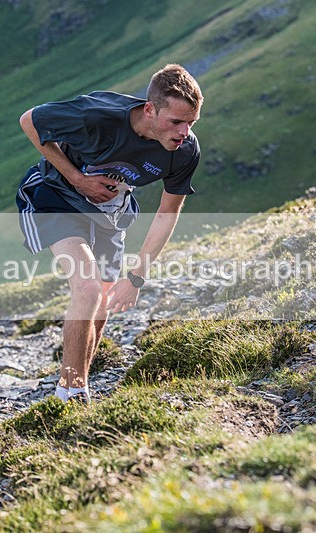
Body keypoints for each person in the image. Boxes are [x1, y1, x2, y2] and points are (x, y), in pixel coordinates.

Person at [16, 64, 203, 403]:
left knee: (100, 300)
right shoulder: (97, 116)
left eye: (191, 123)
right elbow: (30, 120)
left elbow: (167, 212)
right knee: (87, 288)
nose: (184, 132)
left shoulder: (185, 151)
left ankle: (77, 384)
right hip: (56, 196)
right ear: (150, 109)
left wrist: (136, 277)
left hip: (110, 215)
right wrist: (77, 178)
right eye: (176, 121)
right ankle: (68, 394)